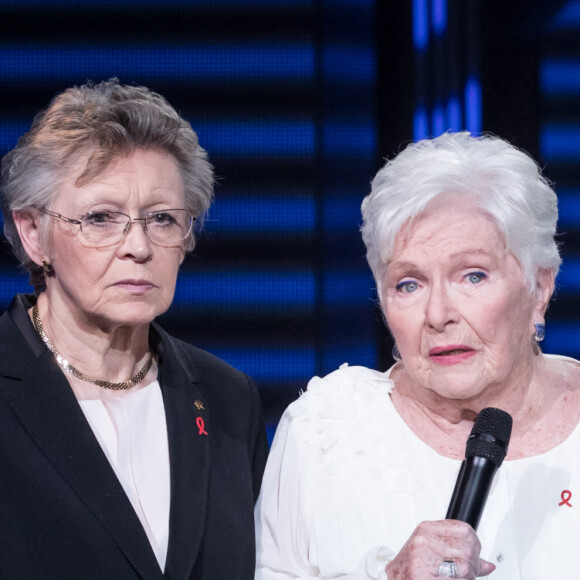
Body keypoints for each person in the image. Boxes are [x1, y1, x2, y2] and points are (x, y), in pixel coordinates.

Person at [254, 131, 580, 579]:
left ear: (539, 288)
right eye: (409, 284)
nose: (438, 314)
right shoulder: (324, 436)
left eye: (472, 276)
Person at [0, 79, 268, 579]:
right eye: (101, 217)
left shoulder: (228, 398)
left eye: (162, 218)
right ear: (34, 234)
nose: (139, 247)